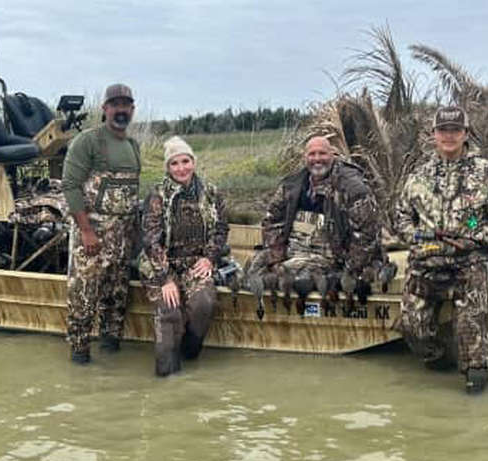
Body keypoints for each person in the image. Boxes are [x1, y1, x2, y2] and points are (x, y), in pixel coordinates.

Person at [394, 105, 488, 394]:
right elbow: (401, 216)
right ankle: (439, 360)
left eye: (455, 130)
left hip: (472, 260)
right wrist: (416, 238)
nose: (449, 136)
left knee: (469, 322)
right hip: (427, 259)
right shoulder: (419, 176)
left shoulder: (487, 174)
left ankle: (476, 375)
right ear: (434, 135)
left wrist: (474, 236)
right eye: (443, 130)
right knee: (412, 327)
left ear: (465, 134)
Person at [250, 135, 386, 317]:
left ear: (332, 155)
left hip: (334, 255)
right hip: (295, 249)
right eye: (312, 154)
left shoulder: (352, 187)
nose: (317, 159)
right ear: (305, 157)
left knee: (297, 276)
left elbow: (368, 232)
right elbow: (272, 220)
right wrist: (276, 254)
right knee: (254, 269)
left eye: (322, 153)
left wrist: (350, 266)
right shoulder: (292, 185)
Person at [61, 83, 140, 364]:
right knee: (83, 299)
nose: (121, 110)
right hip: (92, 238)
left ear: (132, 109)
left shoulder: (133, 145)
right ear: (105, 109)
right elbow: (70, 186)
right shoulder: (88, 141)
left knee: (116, 300)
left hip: (123, 238)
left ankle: (111, 356)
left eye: (126, 105)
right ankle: (79, 356)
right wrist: (86, 231)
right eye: (115, 104)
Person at [139, 136, 228, 376]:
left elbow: (221, 230)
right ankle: (167, 374)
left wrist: (209, 258)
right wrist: (165, 278)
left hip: (195, 264)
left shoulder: (211, 192)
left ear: (193, 162)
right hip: (161, 265)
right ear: (168, 168)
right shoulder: (157, 195)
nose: (181, 168)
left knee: (203, 302)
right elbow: (150, 240)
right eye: (174, 163)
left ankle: (190, 355)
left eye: (185, 161)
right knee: (169, 310)